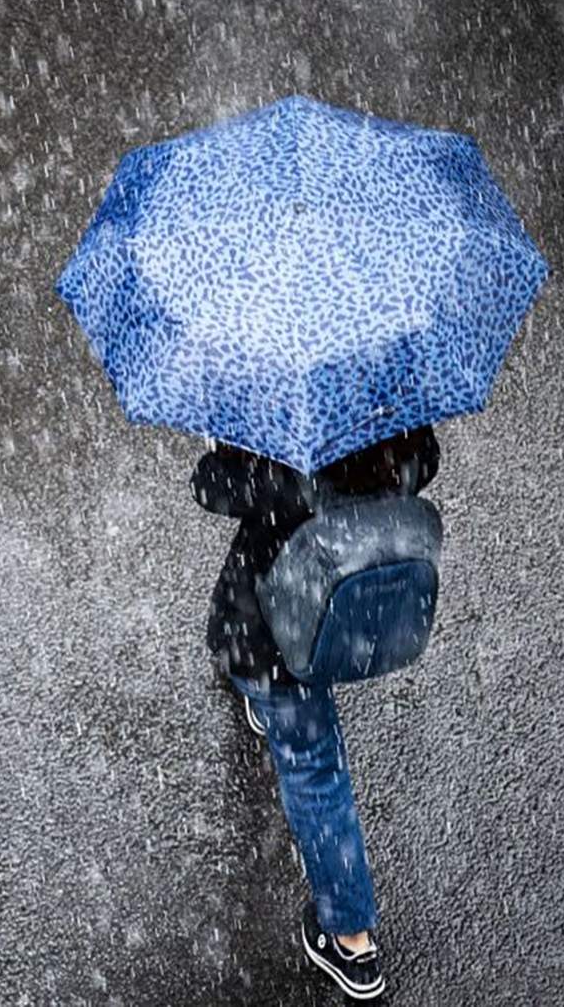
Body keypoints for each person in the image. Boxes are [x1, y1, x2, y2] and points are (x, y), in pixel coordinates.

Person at [190, 427, 440, 1002]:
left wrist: (221, 452)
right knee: (307, 741)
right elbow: (423, 459)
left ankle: (350, 937)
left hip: (275, 616)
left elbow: (215, 489)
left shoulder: (271, 426)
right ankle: (352, 943)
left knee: (311, 766)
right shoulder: (380, 402)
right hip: (349, 594)